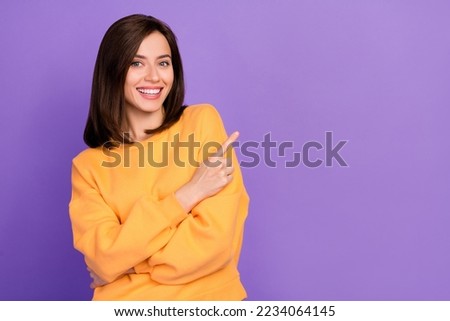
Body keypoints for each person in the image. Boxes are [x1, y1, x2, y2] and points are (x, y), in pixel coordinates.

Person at [68, 14, 249, 300]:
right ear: (113, 70)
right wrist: (186, 196)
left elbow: (215, 243)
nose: (154, 76)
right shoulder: (88, 167)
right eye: (137, 63)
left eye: (163, 63)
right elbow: (102, 259)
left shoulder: (201, 123)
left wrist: (126, 263)